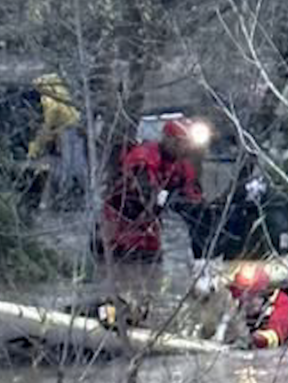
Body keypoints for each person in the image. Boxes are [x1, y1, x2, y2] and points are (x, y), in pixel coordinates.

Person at [97, 118, 206, 262]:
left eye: (186, 143)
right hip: (118, 230)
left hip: (149, 237)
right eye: (179, 142)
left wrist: (199, 206)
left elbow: (193, 195)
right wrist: (170, 200)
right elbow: (144, 195)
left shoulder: (182, 166)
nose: (183, 147)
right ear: (167, 139)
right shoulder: (144, 157)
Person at [28, 73, 87, 210]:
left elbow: (47, 124)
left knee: (69, 165)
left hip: (68, 131)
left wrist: (35, 148)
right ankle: (80, 192)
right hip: (76, 127)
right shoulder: (60, 91)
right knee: (77, 163)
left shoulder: (48, 99)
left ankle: (66, 196)